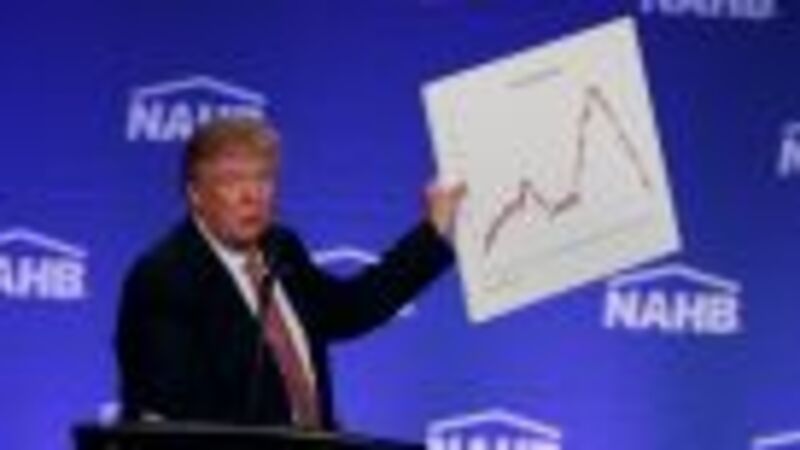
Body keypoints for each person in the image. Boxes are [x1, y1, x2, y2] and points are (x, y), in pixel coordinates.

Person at [114, 116, 465, 430]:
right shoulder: (165, 278)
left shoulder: (281, 247)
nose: (251, 196)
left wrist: (432, 232)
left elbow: (348, 309)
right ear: (195, 193)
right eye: (232, 180)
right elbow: (178, 416)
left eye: (263, 178)